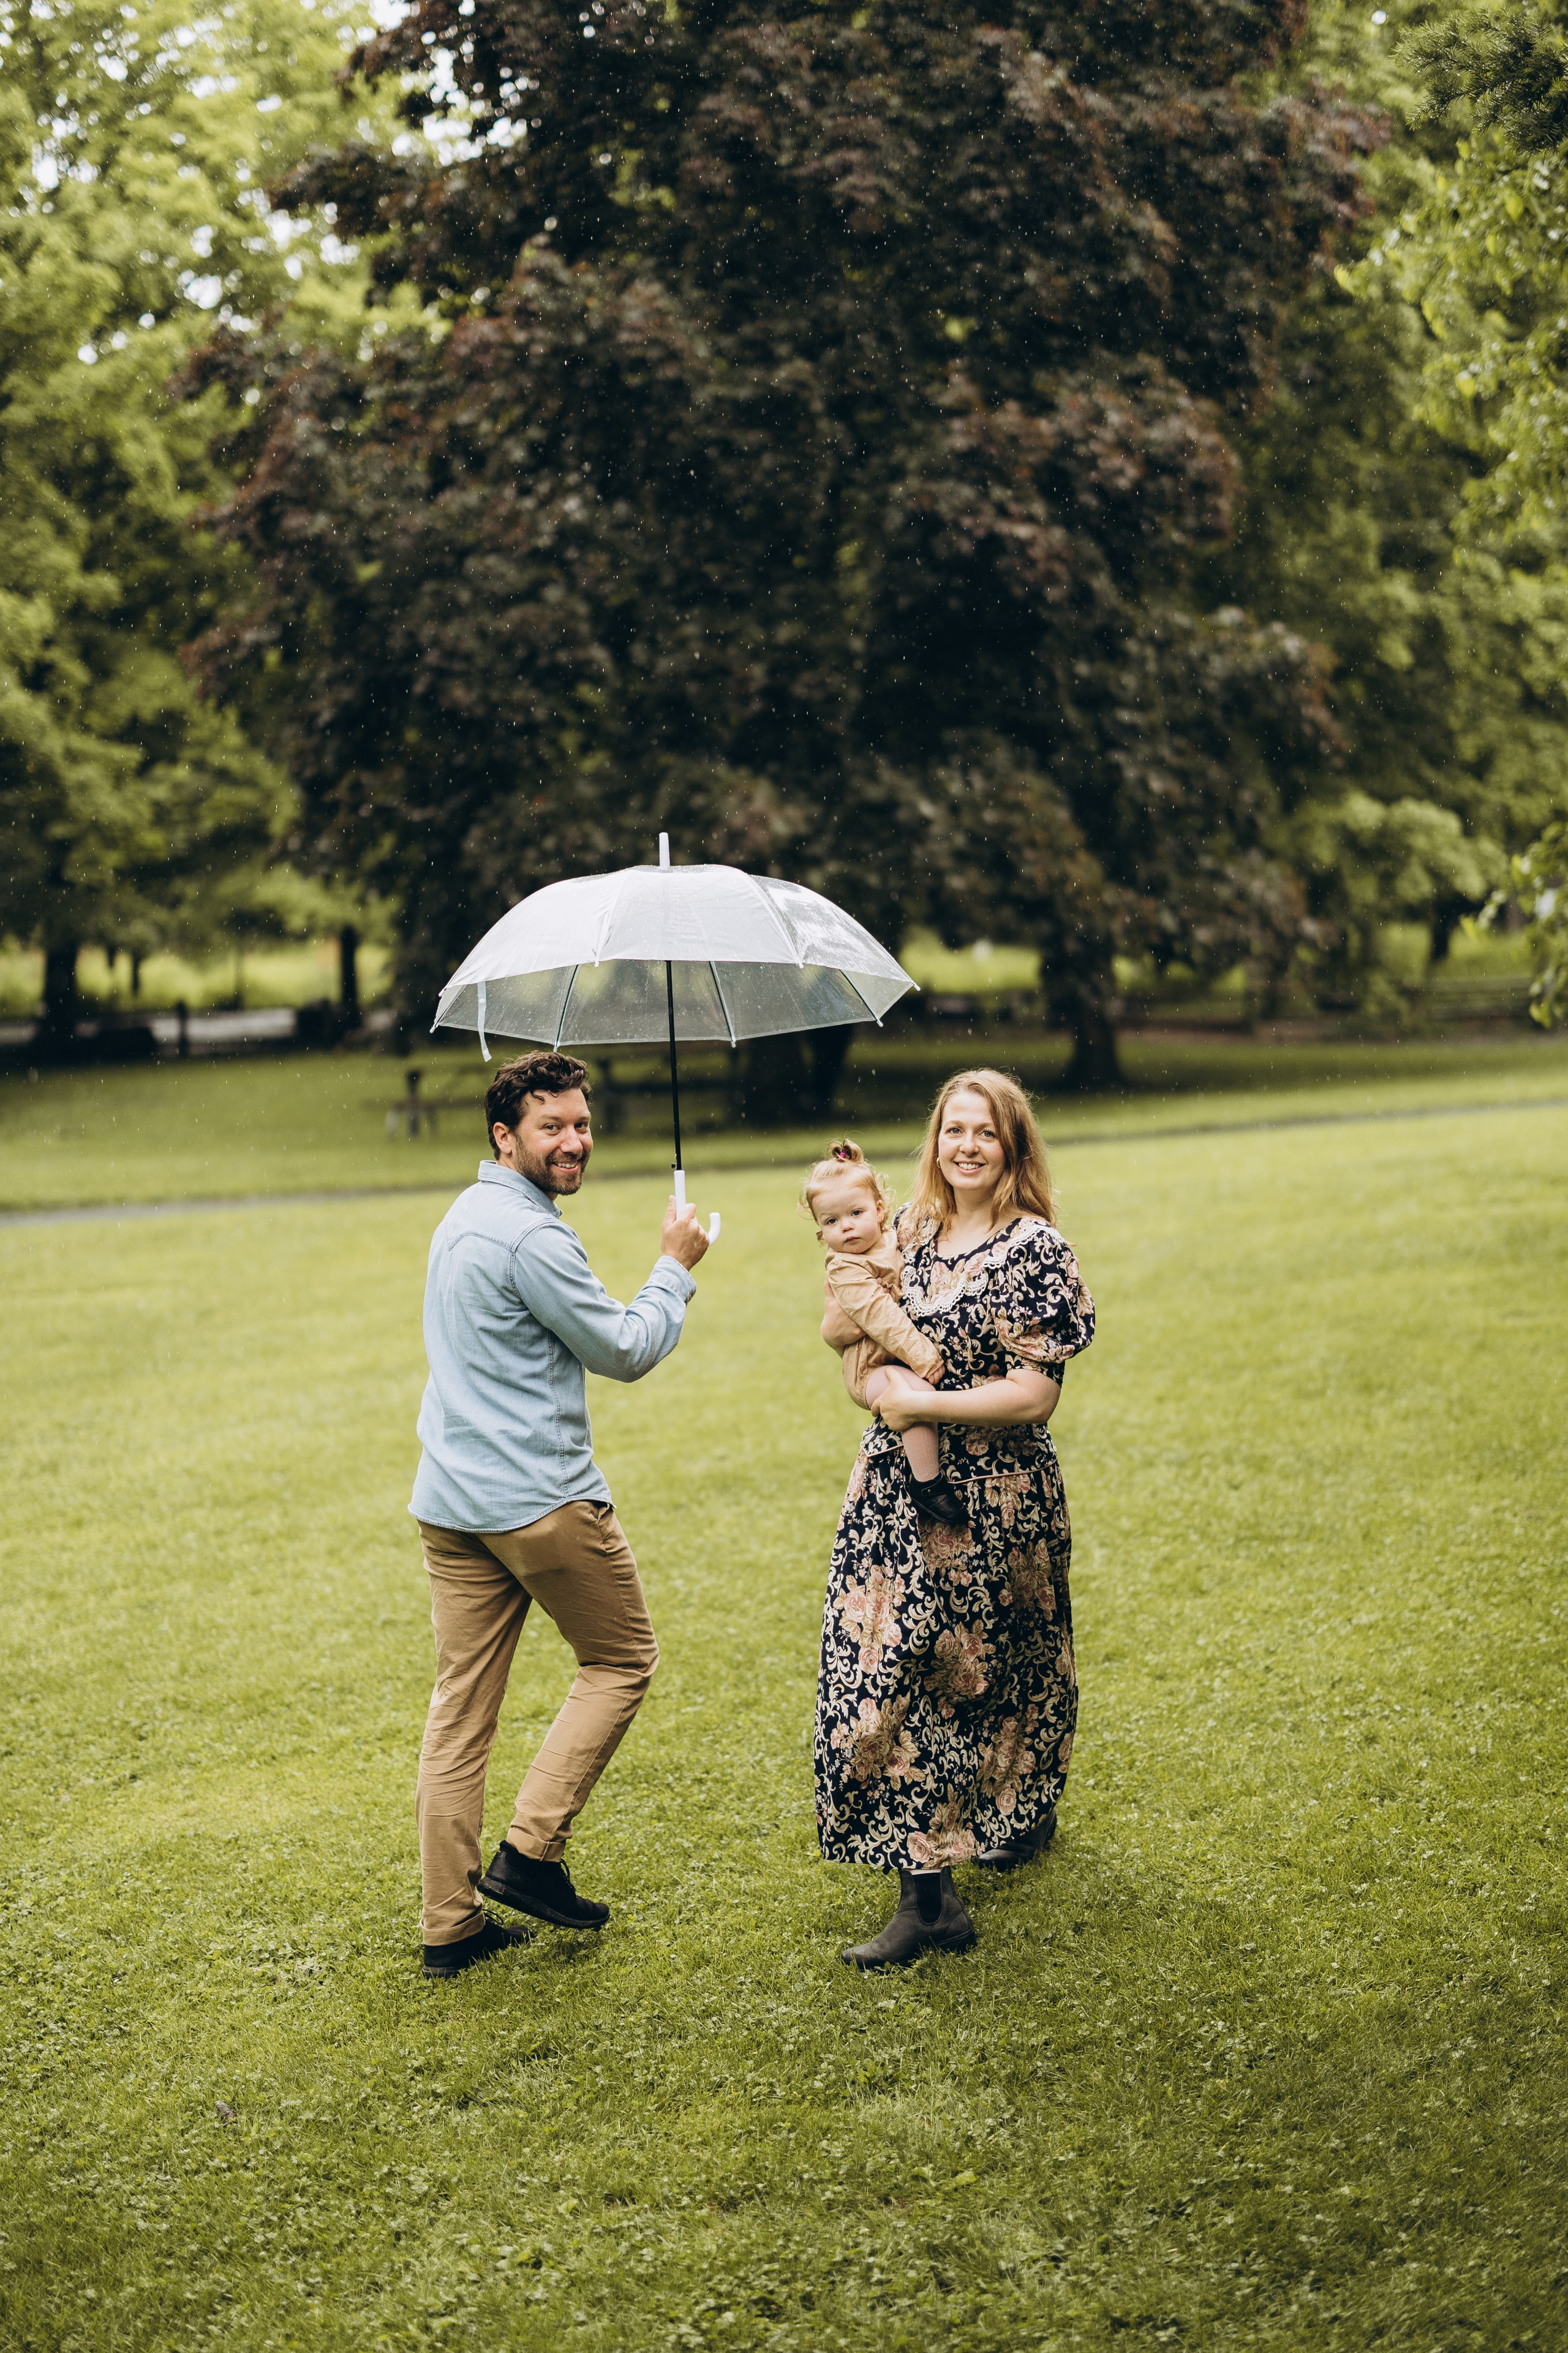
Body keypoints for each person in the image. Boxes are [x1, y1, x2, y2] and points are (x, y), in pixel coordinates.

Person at [409, 1049, 709, 1979]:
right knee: (621, 1661)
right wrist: (674, 1267)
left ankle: (450, 1926)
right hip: (536, 1502)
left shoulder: (467, 1214)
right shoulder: (532, 1238)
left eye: (581, 1123)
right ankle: (531, 1854)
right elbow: (624, 1347)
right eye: (553, 1127)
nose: (573, 1140)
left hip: (452, 1501)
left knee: (461, 1713)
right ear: (507, 1136)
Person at [815, 1068, 1095, 1968]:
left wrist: (929, 1406)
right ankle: (928, 1899)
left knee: (999, 1671)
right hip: (895, 1498)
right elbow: (857, 1334)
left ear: (1012, 1146)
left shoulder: (1036, 1248)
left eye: (985, 1131)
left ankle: (1019, 1808)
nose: (965, 1146)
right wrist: (880, 1377)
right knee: (890, 1677)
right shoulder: (909, 1232)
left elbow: (1035, 1394)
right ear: (934, 1141)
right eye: (952, 1130)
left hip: (997, 1498)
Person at [804, 1138, 967, 1528]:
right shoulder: (844, 1267)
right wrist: (924, 1356)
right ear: (820, 1233)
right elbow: (880, 1318)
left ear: (880, 1210)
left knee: (919, 1394)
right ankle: (927, 1484)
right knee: (915, 1395)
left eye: (855, 1213)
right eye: (831, 1222)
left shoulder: (898, 1238)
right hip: (870, 1370)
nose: (845, 1227)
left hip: (897, 1356)